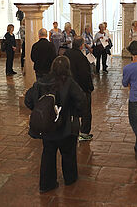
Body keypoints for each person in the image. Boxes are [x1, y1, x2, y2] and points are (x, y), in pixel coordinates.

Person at [25, 56, 86, 193]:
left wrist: (42, 112)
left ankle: (47, 183)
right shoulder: (69, 83)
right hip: (65, 128)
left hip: (48, 128)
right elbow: (81, 100)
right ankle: (70, 179)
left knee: (48, 155)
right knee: (68, 154)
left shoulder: (41, 82)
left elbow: (28, 100)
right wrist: (76, 114)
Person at [64, 37, 94, 141]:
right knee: (86, 112)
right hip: (81, 88)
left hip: (68, 87)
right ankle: (84, 133)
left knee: (73, 111)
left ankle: (72, 131)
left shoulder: (66, 54)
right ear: (81, 45)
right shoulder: (82, 58)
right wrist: (89, 88)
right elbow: (85, 75)